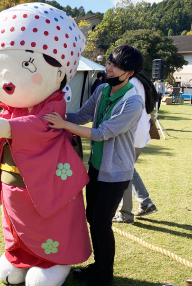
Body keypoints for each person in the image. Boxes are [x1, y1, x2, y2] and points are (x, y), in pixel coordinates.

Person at [44, 44, 144, 286]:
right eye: (109, 62)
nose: (108, 68)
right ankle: (98, 266)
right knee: (92, 217)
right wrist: (45, 115)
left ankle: (104, 275)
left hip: (117, 172)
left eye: (115, 66)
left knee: (101, 222)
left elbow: (102, 133)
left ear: (129, 72)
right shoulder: (101, 90)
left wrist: (64, 125)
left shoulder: (133, 102)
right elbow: (80, 116)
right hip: (96, 167)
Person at [112, 73, 158, 224]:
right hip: (140, 133)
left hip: (130, 135)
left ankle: (125, 213)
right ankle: (145, 203)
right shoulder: (144, 80)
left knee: (123, 174)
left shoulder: (130, 82)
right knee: (129, 171)